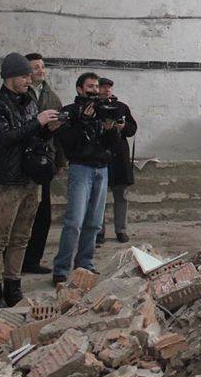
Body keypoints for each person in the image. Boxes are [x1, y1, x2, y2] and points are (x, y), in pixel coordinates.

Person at [0, 52, 61, 316]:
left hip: (30, 178)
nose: (29, 80)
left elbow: (32, 136)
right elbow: (3, 139)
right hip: (8, 181)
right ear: (10, 77)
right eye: (25, 76)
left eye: (30, 75)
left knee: (21, 238)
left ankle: (13, 288)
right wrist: (36, 122)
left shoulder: (29, 102)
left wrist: (47, 128)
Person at [51, 73, 122, 285]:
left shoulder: (103, 111)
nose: (94, 90)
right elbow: (67, 142)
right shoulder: (70, 112)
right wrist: (83, 121)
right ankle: (61, 269)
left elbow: (114, 146)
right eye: (90, 86)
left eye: (96, 86)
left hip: (102, 169)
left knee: (94, 223)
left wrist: (110, 130)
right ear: (79, 89)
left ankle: (85, 265)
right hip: (81, 169)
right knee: (74, 222)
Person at [21, 53, 66, 275]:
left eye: (42, 66)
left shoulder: (52, 97)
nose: (40, 70)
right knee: (20, 213)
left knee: (42, 213)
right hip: (22, 160)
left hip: (44, 161)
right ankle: (13, 259)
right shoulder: (20, 95)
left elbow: (58, 134)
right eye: (35, 67)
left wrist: (60, 160)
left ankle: (32, 260)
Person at [97, 77, 138, 244]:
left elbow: (132, 128)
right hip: (100, 154)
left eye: (109, 87)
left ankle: (121, 230)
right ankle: (98, 231)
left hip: (119, 156)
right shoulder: (93, 107)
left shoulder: (121, 107)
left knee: (121, 196)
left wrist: (123, 127)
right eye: (103, 87)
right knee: (98, 197)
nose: (107, 90)